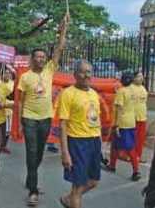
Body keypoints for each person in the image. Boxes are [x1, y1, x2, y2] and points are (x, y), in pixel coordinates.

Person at [17, 12, 69, 206]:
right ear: (32, 59)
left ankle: (31, 177)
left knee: (39, 153)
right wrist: (22, 122)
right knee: (31, 152)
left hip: (46, 118)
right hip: (29, 118)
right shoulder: (25, 77)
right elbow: (21, 101)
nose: (40, 59)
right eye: (37, 57)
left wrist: (63, 29)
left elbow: (60, 48)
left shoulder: (49, 70)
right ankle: (33, 190)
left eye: (42, 57)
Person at [58, 60, 102, 208]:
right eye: (83, 72)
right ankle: (72, 200)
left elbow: (96, 120)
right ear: (75, 74)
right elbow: (63, 125)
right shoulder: (68, 94)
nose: (86, 75)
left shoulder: (94, 94)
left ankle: (67, 199)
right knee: (78, 187)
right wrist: (65, 153)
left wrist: (100, 144)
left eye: (89, 72)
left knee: (93, 181)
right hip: (77, 143)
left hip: (94, 141)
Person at [107, 72, 141, 181]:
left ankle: (136, 171)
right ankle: (112, 165)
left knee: (129, 147)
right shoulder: (133, 91)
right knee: (116, 145)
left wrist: (116, 125)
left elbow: (120, 109)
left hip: (122, 123)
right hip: (131, 121)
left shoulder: (121, 92)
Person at [132, 72, 148, 163]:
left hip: (142, 117)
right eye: (138, 76)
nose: (141, 78)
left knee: (141, 139)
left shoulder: (143, 89)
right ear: (133, 78)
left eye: (142, 76)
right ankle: (130, 155)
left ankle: (138, 155)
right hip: (133, 118)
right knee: (132, 138)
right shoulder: (130, 88)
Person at [1, 67, 15, 154]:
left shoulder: (13, 83)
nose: (7, 74)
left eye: (9, 73)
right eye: (5, 73)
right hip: (0, 110)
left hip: (10, 110)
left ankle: (4, 145)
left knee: (7, 130)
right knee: (0, 130)